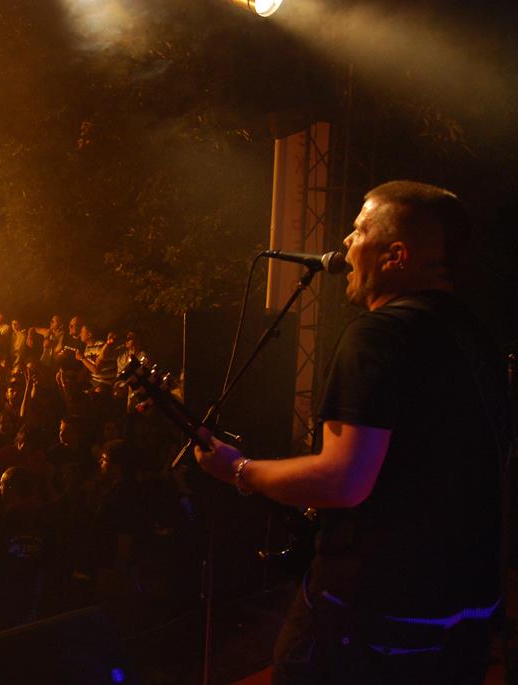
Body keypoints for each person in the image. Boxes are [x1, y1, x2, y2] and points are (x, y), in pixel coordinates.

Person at [194, 181, 511, 683]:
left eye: (360, 230)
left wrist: (239, 470)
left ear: (396, 256)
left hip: (370, 619)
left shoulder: (377, 335)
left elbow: (343, 480)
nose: (345, 242)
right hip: (464, 618)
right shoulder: (475, 338)